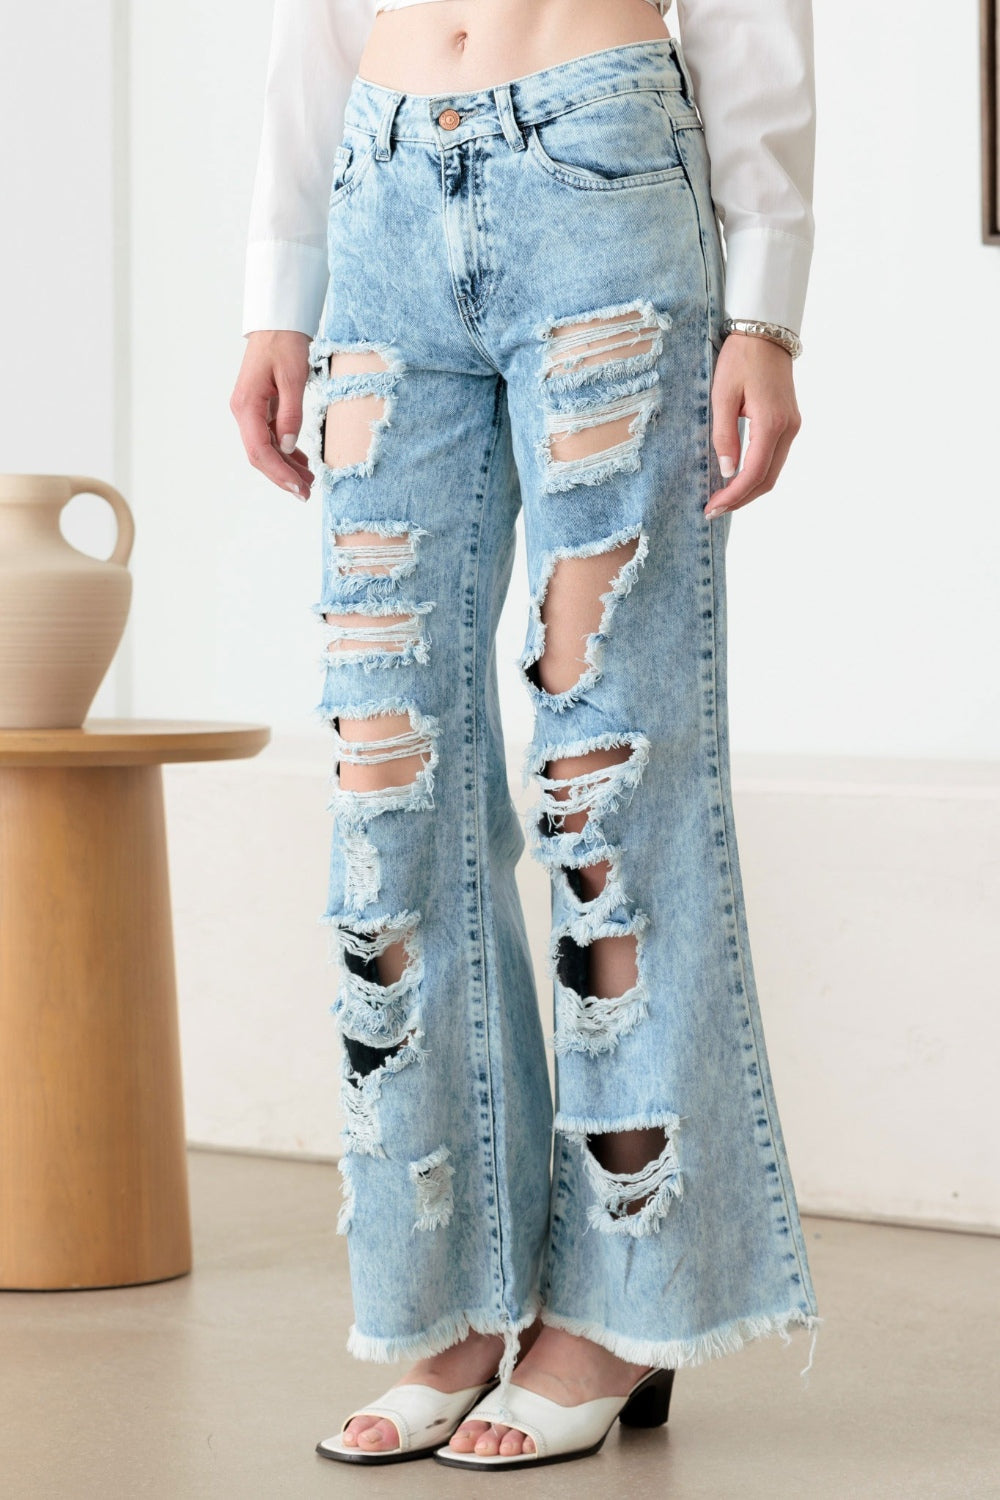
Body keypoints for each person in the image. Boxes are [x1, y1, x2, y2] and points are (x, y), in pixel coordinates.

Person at [230, 0, 820, 1473]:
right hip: (377, 191)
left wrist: (766, 309)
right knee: (386, 774)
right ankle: (444, 1298)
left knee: (604, 764)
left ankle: (623, 1304)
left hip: (603, 175)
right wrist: (274, 285)